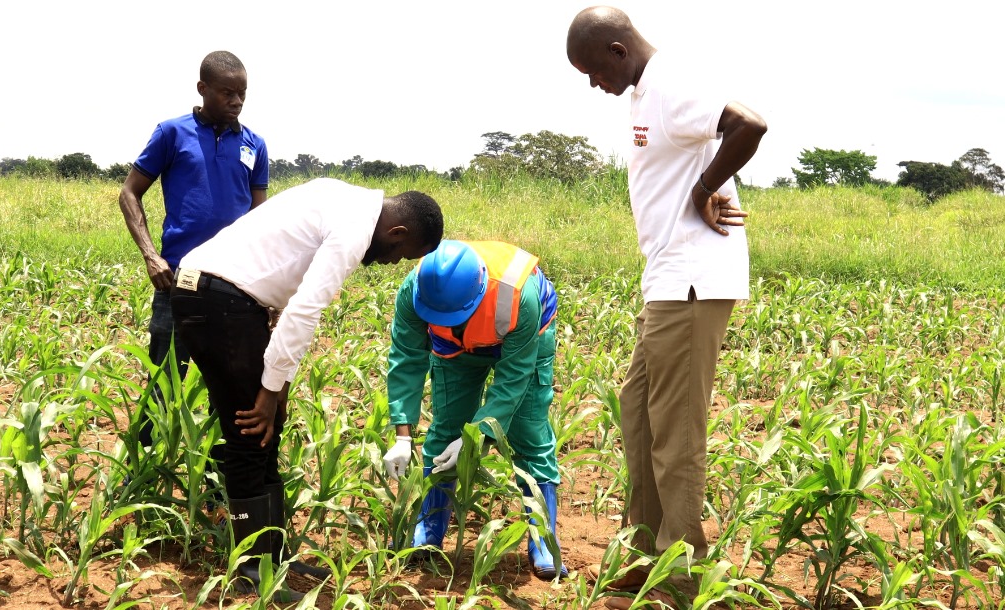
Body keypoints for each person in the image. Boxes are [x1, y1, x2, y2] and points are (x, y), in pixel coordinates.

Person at [566, 6, 768, 606]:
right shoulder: (645, 94)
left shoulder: (673, 83)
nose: (593, 83)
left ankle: (681, 576)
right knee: (639, 411)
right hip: (669, 281)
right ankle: (649, 552)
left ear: (618, 52)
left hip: (692, 283)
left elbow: (750, 125)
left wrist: (704, 191)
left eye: (592, 69)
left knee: (675, 430)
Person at [171, 177, 443, 598]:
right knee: (249, 431)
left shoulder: (342, 197)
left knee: (266, 431)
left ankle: (272, 555)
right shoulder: (355, 228)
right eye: (399, 256)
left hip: (221, 295)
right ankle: (251, 573)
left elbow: (281, 285)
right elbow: (304, 308)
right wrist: (267, 390)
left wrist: (276, 386)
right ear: (398, 233)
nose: (391, 264)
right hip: (219, 299)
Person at [381, 240, 568, 580]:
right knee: (448, 427)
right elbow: (406, 357)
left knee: (529, 432)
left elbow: (513, 378)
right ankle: (430, 527)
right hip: (455, 349)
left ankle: (543, 538)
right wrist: (403, 436)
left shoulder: (517, 296)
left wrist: (479, 436)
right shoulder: (415, 288)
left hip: (525, 337)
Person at [118, 50, 269, 465]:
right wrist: (151, 256)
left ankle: (227, 476)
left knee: (234, 385)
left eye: (242, 94)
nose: (237, 101)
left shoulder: (255, 144)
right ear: (202, 89)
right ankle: (146, 470)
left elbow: (260, 219)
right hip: (179, 282)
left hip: (234, 285)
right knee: (165, 379)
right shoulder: (172, 133)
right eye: (227, 93)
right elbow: (129, 192)